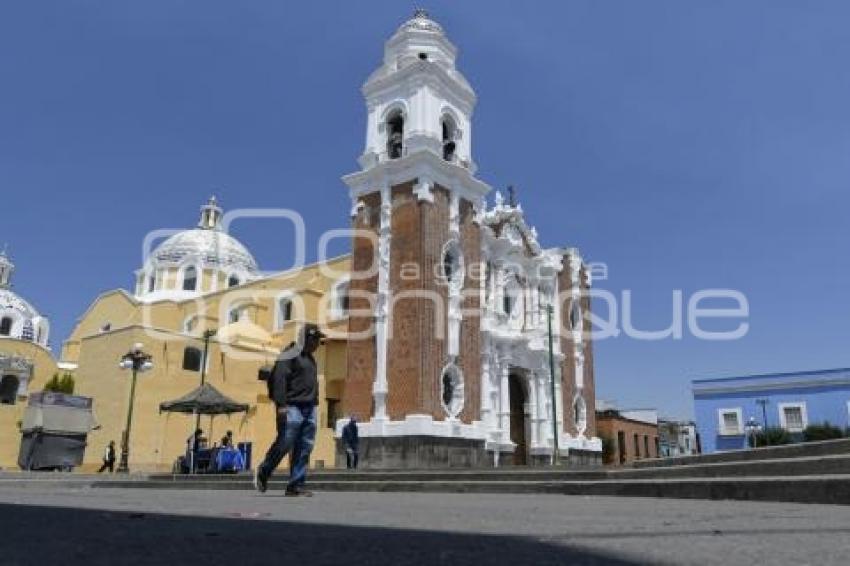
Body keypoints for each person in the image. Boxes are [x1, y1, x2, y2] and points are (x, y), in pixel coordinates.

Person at [254, 323, 324, 496]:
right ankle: (265, 470)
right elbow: (279, 379)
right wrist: (281, 405)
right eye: (316, 339)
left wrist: (314, 403)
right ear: (306, 338)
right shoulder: (289, 354)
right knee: (285, 442)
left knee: (304, 447)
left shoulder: (310, 359)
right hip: (291, 407)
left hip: (309, 408)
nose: (318, 344)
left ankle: (295, 485)